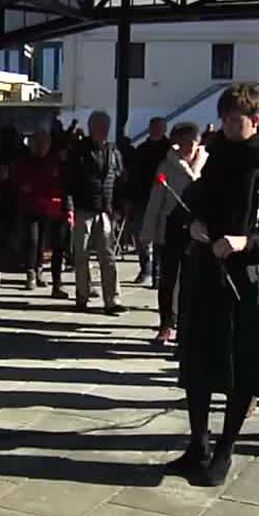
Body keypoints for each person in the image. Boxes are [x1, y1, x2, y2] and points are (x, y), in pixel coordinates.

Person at [168, 83, 259, 486]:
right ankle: (198, 444)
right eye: (226, 119)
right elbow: (193, 205)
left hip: (248, 281)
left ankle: (225, 450)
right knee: (196, 366)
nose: (229, 127)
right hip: (205, 275)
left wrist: (248, 242)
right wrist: (193, 224)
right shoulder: (216, 160)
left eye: (236, 120)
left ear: (255, 121)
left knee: (240, 370)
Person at [140, 122, 206, 345]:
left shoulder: (207, 164)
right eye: (182, 143)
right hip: (171, 226)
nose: (187, 147)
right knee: (167, 278)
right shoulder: (167, 165)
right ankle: (166, 324)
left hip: (197, 228)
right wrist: (148, 232)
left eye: (191, 142)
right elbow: (155, 200)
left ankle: (187, 325)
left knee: (192, 279)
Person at [65, 110, 128, 315]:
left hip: (105, 209)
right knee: (81, 255)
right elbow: (68, 182)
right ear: (92, 128)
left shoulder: (113, 152)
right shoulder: (78, 151)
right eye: (100, 127)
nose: (103, 131)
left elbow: (119, 181)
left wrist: (119, 207)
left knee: (107, 255)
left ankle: (112, 299)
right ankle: (82, 295)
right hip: (83, 207)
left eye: (105, 128)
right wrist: (70, 208)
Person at [12, 130, 72, 297]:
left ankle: (44, 272)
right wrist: (23, 188)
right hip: (31, 207)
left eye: (44, 143)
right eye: (37, 143)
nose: (41, 147)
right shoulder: (25, 162)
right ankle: (31, 271)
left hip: (51, 208)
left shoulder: (54, 162)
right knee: (33, 239)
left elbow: (60, 184)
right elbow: (15, 182)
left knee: (50, 243)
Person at [131, 117, 172, 286]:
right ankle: (145, 267)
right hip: (142, 197)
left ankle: (157, 272)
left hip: (163, 197)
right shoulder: (141, 150)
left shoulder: (169, 150)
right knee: (142, 235)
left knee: (160, 237)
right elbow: (133, 175)